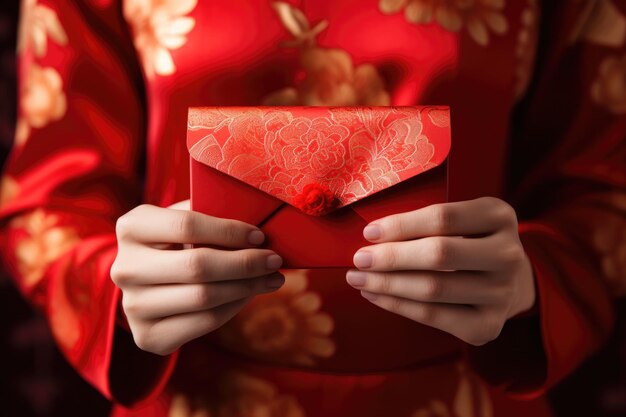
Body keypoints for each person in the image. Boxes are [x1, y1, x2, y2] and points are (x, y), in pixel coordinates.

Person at [1, 0, 624, 415]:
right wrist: (116, 293)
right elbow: (46, 204)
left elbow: (606, 195)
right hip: (196, 394)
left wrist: (531, 284)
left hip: (465, 391)